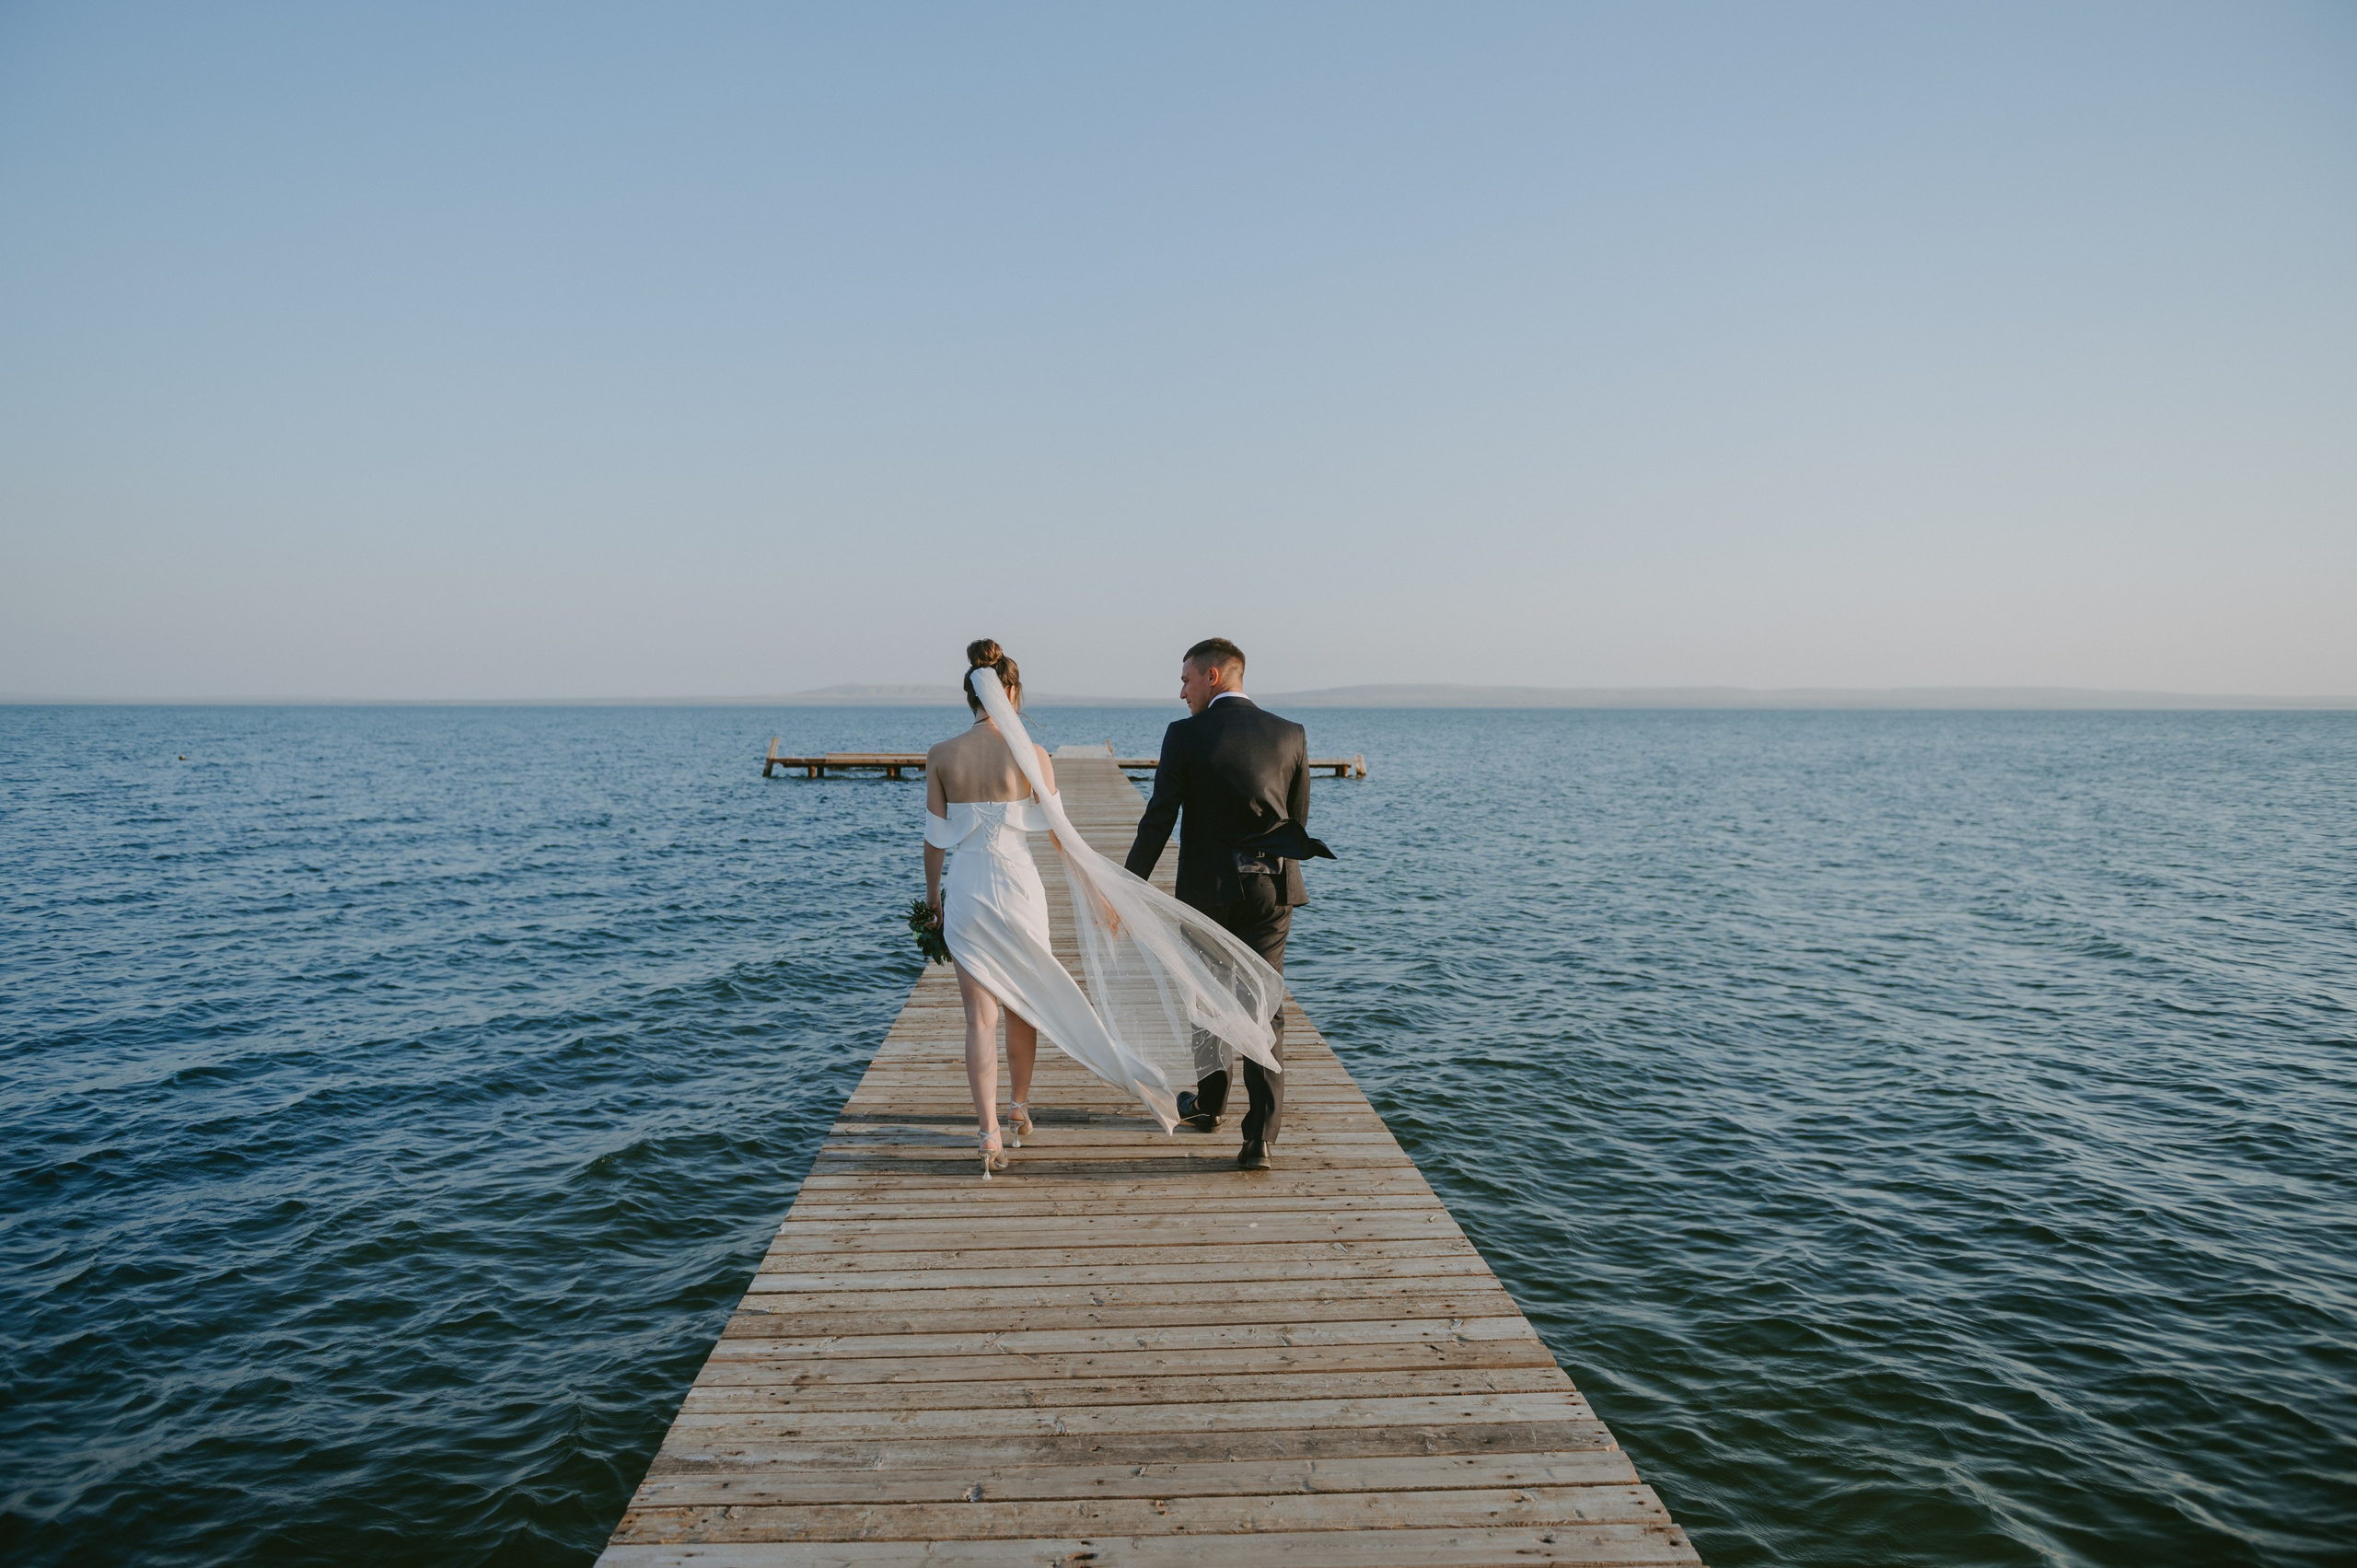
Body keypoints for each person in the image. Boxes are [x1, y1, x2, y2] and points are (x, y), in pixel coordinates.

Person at [923, 640, 1286, 1179]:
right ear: (1011, 691)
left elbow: (935, 841)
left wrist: (934, 900)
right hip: (1019, 889)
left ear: (971, 694)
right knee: (1026, 1004)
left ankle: (988, 1133)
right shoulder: (1033, 756)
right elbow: (1062, 838)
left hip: (968, 889)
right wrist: (1103, 894)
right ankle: (1019, 1107)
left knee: (979, 1018)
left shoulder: (940, 755)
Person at [1124, 637, 1332, 1170]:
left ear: (1212, 676)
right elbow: (1297, 823)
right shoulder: (1290, 733)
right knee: (1264, 1006)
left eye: (1186, 680)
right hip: (1273, 892)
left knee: (1207, 997)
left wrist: (1127, 886)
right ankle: (1259, 1139)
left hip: (1207, 893)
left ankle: (1211, 1104)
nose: (1182, 692)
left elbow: (1159, 817)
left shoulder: (1184, 735)